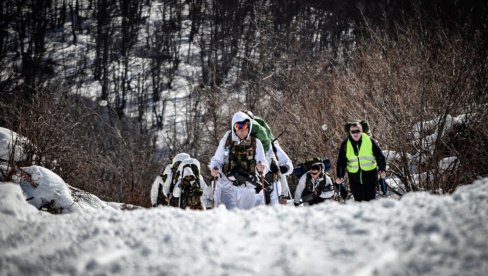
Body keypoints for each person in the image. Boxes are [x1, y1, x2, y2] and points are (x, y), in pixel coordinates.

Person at [210, 111, 268, 210]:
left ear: (249, 127)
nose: (242, 130)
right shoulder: (227, 141)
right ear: (234, 127)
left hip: (248, 186)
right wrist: (214, 169)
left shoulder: (256, 143)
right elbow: (217, 160)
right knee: (228, 215)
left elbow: (263, 163)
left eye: (245, 126)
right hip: (228, 185)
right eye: (238, 127)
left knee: (248, 216)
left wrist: (262, 167)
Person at [335, 121, 386, 201]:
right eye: (353, 131)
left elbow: (379, 156)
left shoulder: (369, 140)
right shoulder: (345, 144)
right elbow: (341, 161)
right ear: (349, 132)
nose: (355, 134)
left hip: (370, 176)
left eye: (358, 131)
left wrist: (382, 169)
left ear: (362, 131)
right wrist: (340, 175)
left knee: (370, 201)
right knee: (359, 202)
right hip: (354, 178)